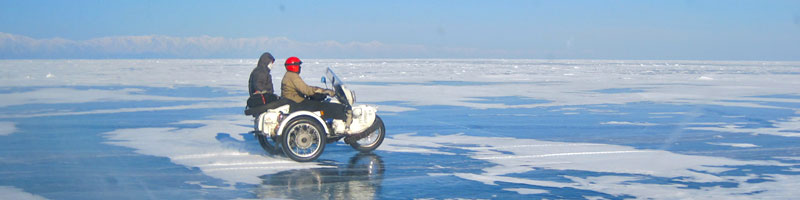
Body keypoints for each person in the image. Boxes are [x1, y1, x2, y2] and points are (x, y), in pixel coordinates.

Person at [280, 56, 348, 122]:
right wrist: (323, 91)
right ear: (293, 66)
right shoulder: (293, 76)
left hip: (294, 101)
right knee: (326, 107)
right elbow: (306, 90)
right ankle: (343, 123)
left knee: (320, 104)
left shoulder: (289, 75)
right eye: (298, 65)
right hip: (297, 103)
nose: (300, 67)